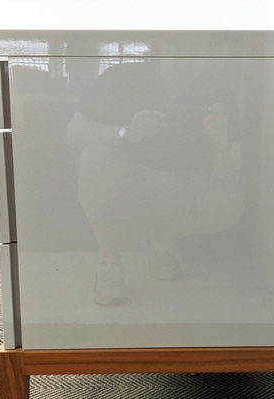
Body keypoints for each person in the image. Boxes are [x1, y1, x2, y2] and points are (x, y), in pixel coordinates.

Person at [66, 53, 244, 306]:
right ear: (162, 41)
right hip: (129, 178)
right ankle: (110, 261)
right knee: (92, 158)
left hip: (186, 184)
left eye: (196, 45)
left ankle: (160, 237)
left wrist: (222, 143)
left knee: (231, 205)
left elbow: (227, 177)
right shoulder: (123, 76)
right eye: (180, 44)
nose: (187, 57)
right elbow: (73, 133)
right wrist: (126, 132)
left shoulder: (217, 91)